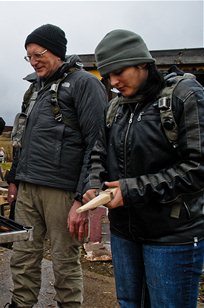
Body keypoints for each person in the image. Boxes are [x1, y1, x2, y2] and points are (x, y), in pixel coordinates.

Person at [83, 29, 204, 307]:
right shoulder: (115, 108)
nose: (113, 82)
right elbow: (99, 154)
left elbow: (198, 168)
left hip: (172, 235)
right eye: (107, 76)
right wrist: (93, 184)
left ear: (141, 62)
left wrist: (132, 190)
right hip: (125, 232)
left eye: (119, 72)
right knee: (130, 303)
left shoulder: (184, 96)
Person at [7, 24, 107, 307]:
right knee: (23, 253)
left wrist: (82, 198)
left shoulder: (84, 84)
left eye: (38, 54)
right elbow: (22, 138)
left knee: (64, 258)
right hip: (28, 186)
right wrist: (15, 178)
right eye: (29, 57)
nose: (34, 61)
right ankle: (21, 303)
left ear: (57, 52)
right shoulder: (34, 90)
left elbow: (97, 142)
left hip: (62, 190)